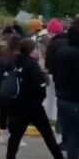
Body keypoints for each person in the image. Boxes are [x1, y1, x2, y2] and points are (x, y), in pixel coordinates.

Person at [6, 38, 65, 159]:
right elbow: (41, 84)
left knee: (15, 136)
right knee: (47, 135)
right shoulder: (32, 65)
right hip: (34, 106)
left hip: (18, 104)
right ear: (32, 51)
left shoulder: (16, 62)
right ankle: (58, 157)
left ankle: (10, 157)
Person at [51, 18, 79, 159]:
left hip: (63, 98)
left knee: (73, 138)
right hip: (75, 100)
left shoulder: (62, 52)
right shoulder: (75, 55)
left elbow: (55, 73)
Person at [0, 35, 23, 144]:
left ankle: (3, 135)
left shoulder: (1, 55)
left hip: (0, 86)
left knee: (3, 112)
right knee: (14, 113)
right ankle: (13, 136)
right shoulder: (17, 57)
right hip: (12, 88)